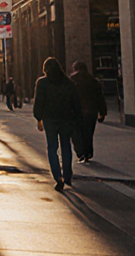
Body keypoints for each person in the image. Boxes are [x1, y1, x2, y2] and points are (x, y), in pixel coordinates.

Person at [34, 57, 83, 192]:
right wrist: (76, 118)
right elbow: (76, 102)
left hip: (50, 120)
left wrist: (39, 118)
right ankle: (67, 175)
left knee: (52, 148)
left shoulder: (42, 83)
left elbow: (39, 102)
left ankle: (58, 177)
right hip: (66, 119)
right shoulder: (68, 83)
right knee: (66, 146)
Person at [70, 61, 106, 163]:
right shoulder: (93, 81)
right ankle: (88, 152)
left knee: (77, 133)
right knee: (88, 133)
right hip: (91, 111)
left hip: (77, 111)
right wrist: (102, 112)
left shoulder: (72, 80)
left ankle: (80, 152)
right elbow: (100, 97)